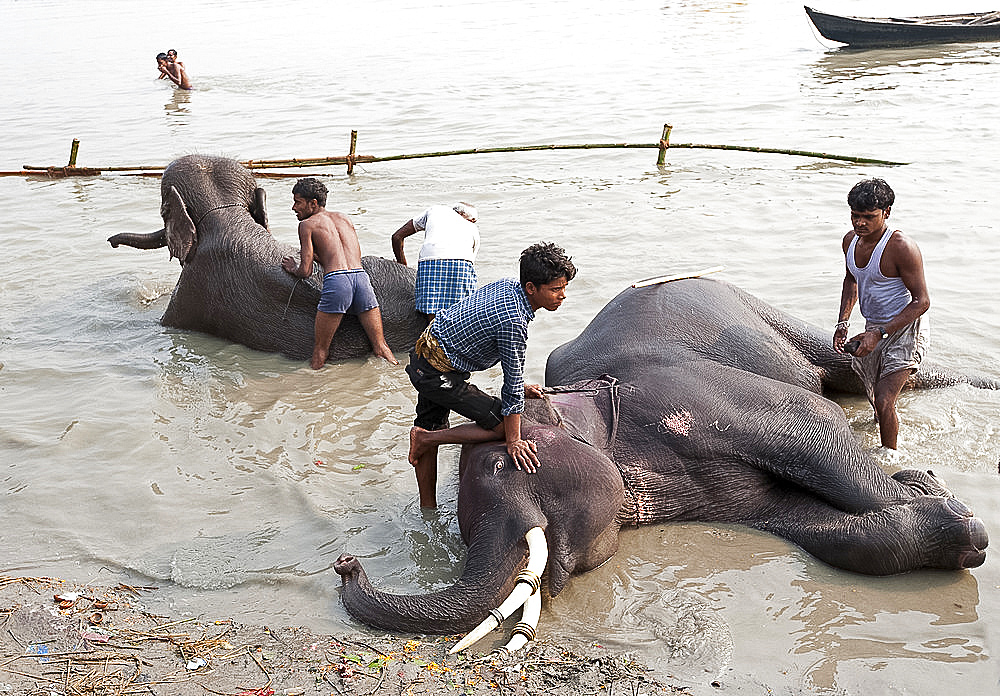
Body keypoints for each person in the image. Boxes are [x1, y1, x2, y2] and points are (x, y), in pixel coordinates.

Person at [405, 242, 576, 508]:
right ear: (531, 288)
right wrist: (514, 440)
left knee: (431, 422)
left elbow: (488, 339)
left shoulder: (509, 285)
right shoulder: (515, 322)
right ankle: (425, 439)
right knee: (500, 426)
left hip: (428, 353)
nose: (562, 295)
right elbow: (512, 383)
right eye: (555, 289)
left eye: (564, 288)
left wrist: (519, 387)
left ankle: (428, 507)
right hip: (437, 372)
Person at [833, 178, 930, 450]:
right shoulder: (850, 242)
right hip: (873, 325)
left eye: (868, 217)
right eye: (855, 215)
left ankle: (890, 462)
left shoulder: (901, 247)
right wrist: (842, 323)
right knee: (877, 400)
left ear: (886, 213)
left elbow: (922, 301)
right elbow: (851, 280)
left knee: (885, 399)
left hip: (905, 328)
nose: (860, 223)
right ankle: (888, 429)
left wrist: (880, 333)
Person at [281, 177, 398, 368]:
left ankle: (312, 394)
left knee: (320, 351)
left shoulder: (307, 225)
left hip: (337, 283)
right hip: (361, 279)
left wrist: (292, 268)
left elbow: (305, 271)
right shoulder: (345, 218)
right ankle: (396, 378)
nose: (294, 208)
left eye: (297, 202)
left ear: (313, 203)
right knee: (381, 346)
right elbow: (345, 255)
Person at [391, 203, 480, 319]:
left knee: (431, 310)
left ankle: (432, 333)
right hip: (462, 263)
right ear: (461, 215)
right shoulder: (472, 228)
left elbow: (397, 237)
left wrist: (402, 264)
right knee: (463, 312)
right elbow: (469, 264)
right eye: (473, 220)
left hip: (430, 261)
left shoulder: (435, 210)